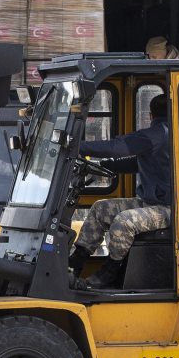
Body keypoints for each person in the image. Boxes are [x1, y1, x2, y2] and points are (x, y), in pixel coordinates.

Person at [69, 94, 172, 289]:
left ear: (151, 115)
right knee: (101, 208)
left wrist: (76, 146)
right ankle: (76, 262)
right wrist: (108, 165)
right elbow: (140, 162)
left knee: (124, 221)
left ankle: (110, 272)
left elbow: (117, 147)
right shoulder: (166, 136)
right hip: (151, 203)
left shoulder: (158, 133)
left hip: (169, 209)